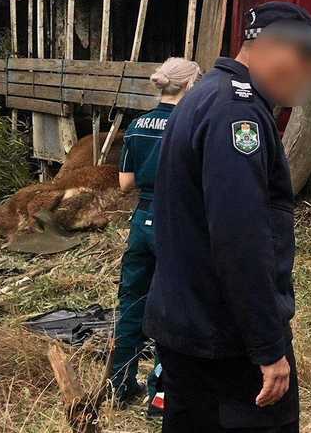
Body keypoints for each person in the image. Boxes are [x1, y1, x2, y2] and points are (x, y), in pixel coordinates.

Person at [145, 2, 311, 433]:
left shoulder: (206, 96)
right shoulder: (238, 113)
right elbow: (240, 239)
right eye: (305, 57)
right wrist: (267, 346)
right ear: (267, 46)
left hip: (188, 324)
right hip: (225, 340)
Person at [108, 57, 201, 407]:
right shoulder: (189, 124)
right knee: (173, 308)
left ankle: (119, 384)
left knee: (131, 302)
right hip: (175, 223)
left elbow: (124, 183)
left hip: (141, 220)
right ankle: (161, 396)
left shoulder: (137, 124)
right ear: (190, 85)